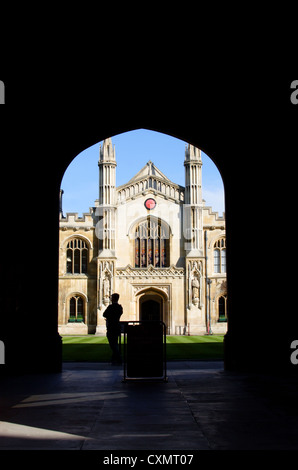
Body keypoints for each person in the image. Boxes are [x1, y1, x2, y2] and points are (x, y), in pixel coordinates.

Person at [103, 293, 123, 365]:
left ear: (113, 298)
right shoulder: (120, 307)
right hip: (117, 327)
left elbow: (104, 314)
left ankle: (119, 359)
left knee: (113, 345)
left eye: (111, 298)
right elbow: (119, 314)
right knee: (115, 343)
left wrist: (109, 317)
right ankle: (114, 360)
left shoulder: (111, 307)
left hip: (111, 327)